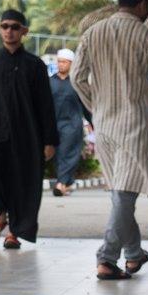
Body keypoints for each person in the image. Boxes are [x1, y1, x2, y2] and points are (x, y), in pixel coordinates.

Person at [71, 0, 148, 280]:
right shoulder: (147, 38)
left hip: (103, 126)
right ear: (142, 5)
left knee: (120, 193)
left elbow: (77, 78)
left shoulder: (92, 33)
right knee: (124, 195)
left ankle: (133, 254)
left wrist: (96, 106)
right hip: (134, 125)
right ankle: (106, 258)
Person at [0, 9, 58, 250]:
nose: (9, 31)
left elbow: (45, 104)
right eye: (5, 26)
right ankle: (0, 214)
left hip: (26, 134)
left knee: (22, 181)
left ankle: (15, 231)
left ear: (24, 31)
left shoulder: (35, 65)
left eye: (15, 27)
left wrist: (49, 140)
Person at [50, 48, 92, 197]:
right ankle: (66, 183)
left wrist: (92, 122)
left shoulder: (77, 83)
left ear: (72, 64)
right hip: (54, 125)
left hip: (72, 125)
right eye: (59, 62)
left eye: (64, 62)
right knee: (57, 155)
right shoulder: (50, 82)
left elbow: (86, 104)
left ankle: (60, 184)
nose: (61, 65)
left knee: (68, 153)